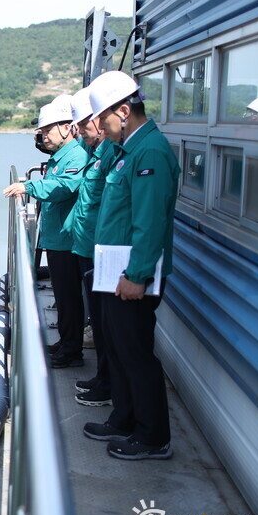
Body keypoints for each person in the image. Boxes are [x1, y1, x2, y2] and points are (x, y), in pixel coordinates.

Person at [81, 70, 180, 461]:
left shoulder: (149, 151)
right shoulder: (127, 150)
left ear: (124, 110)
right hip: (114, 273)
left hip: (131, 276)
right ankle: (123, 418)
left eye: (103, 120)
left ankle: (152, 436)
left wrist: (137, 275)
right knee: (119, 349)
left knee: (136, 354)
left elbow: (150, 221)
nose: (101, 130)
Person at [4, 95, 89, 367]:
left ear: (67, 127)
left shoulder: (75, 155)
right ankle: (66, 342)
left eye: (48, 130)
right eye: (41, 131)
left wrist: (28, 187)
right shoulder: (59, 156)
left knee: (70, 297)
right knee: (63, 297)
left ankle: (72, 351)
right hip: (57, 237)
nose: (44, 136)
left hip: (67, 239)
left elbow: (64, 187)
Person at [63, 87, 117, 406]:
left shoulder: (110, 153)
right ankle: (103, 377)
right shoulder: (95, 151)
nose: (80, 130)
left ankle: (108, 384)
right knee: (98, 322)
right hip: (88, 249)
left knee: (107, 325)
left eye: (84, 124)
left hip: (102, 253)